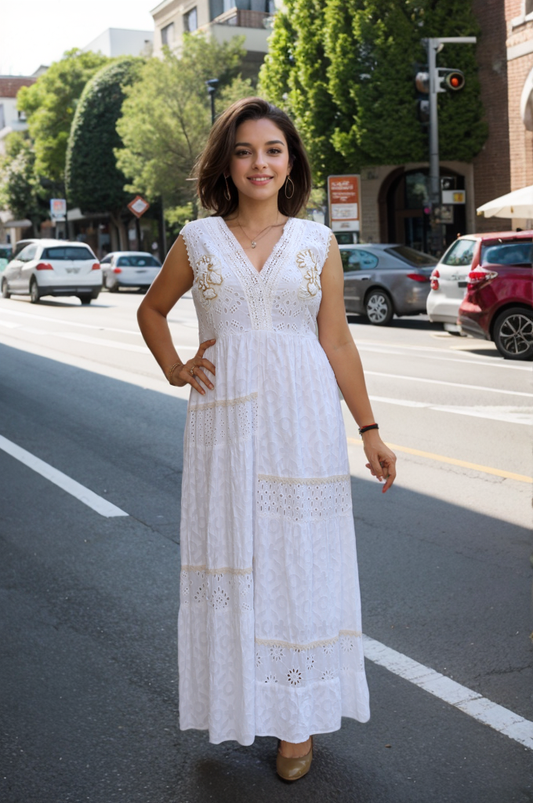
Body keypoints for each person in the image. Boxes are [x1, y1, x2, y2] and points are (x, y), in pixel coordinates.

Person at [137, 97, 397, 782]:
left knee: (297, 558)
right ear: (227, 160)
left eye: (273, 150)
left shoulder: (317, 243)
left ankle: (297, 720)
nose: (260, 162)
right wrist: (174, 366)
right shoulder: (197, 239)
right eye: (246, 150)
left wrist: (368, 429)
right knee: (234, 553)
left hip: (302, 418)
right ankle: (240, 698)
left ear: (290, 162)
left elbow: (335, 339)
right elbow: (152, 308)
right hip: (223, 420)